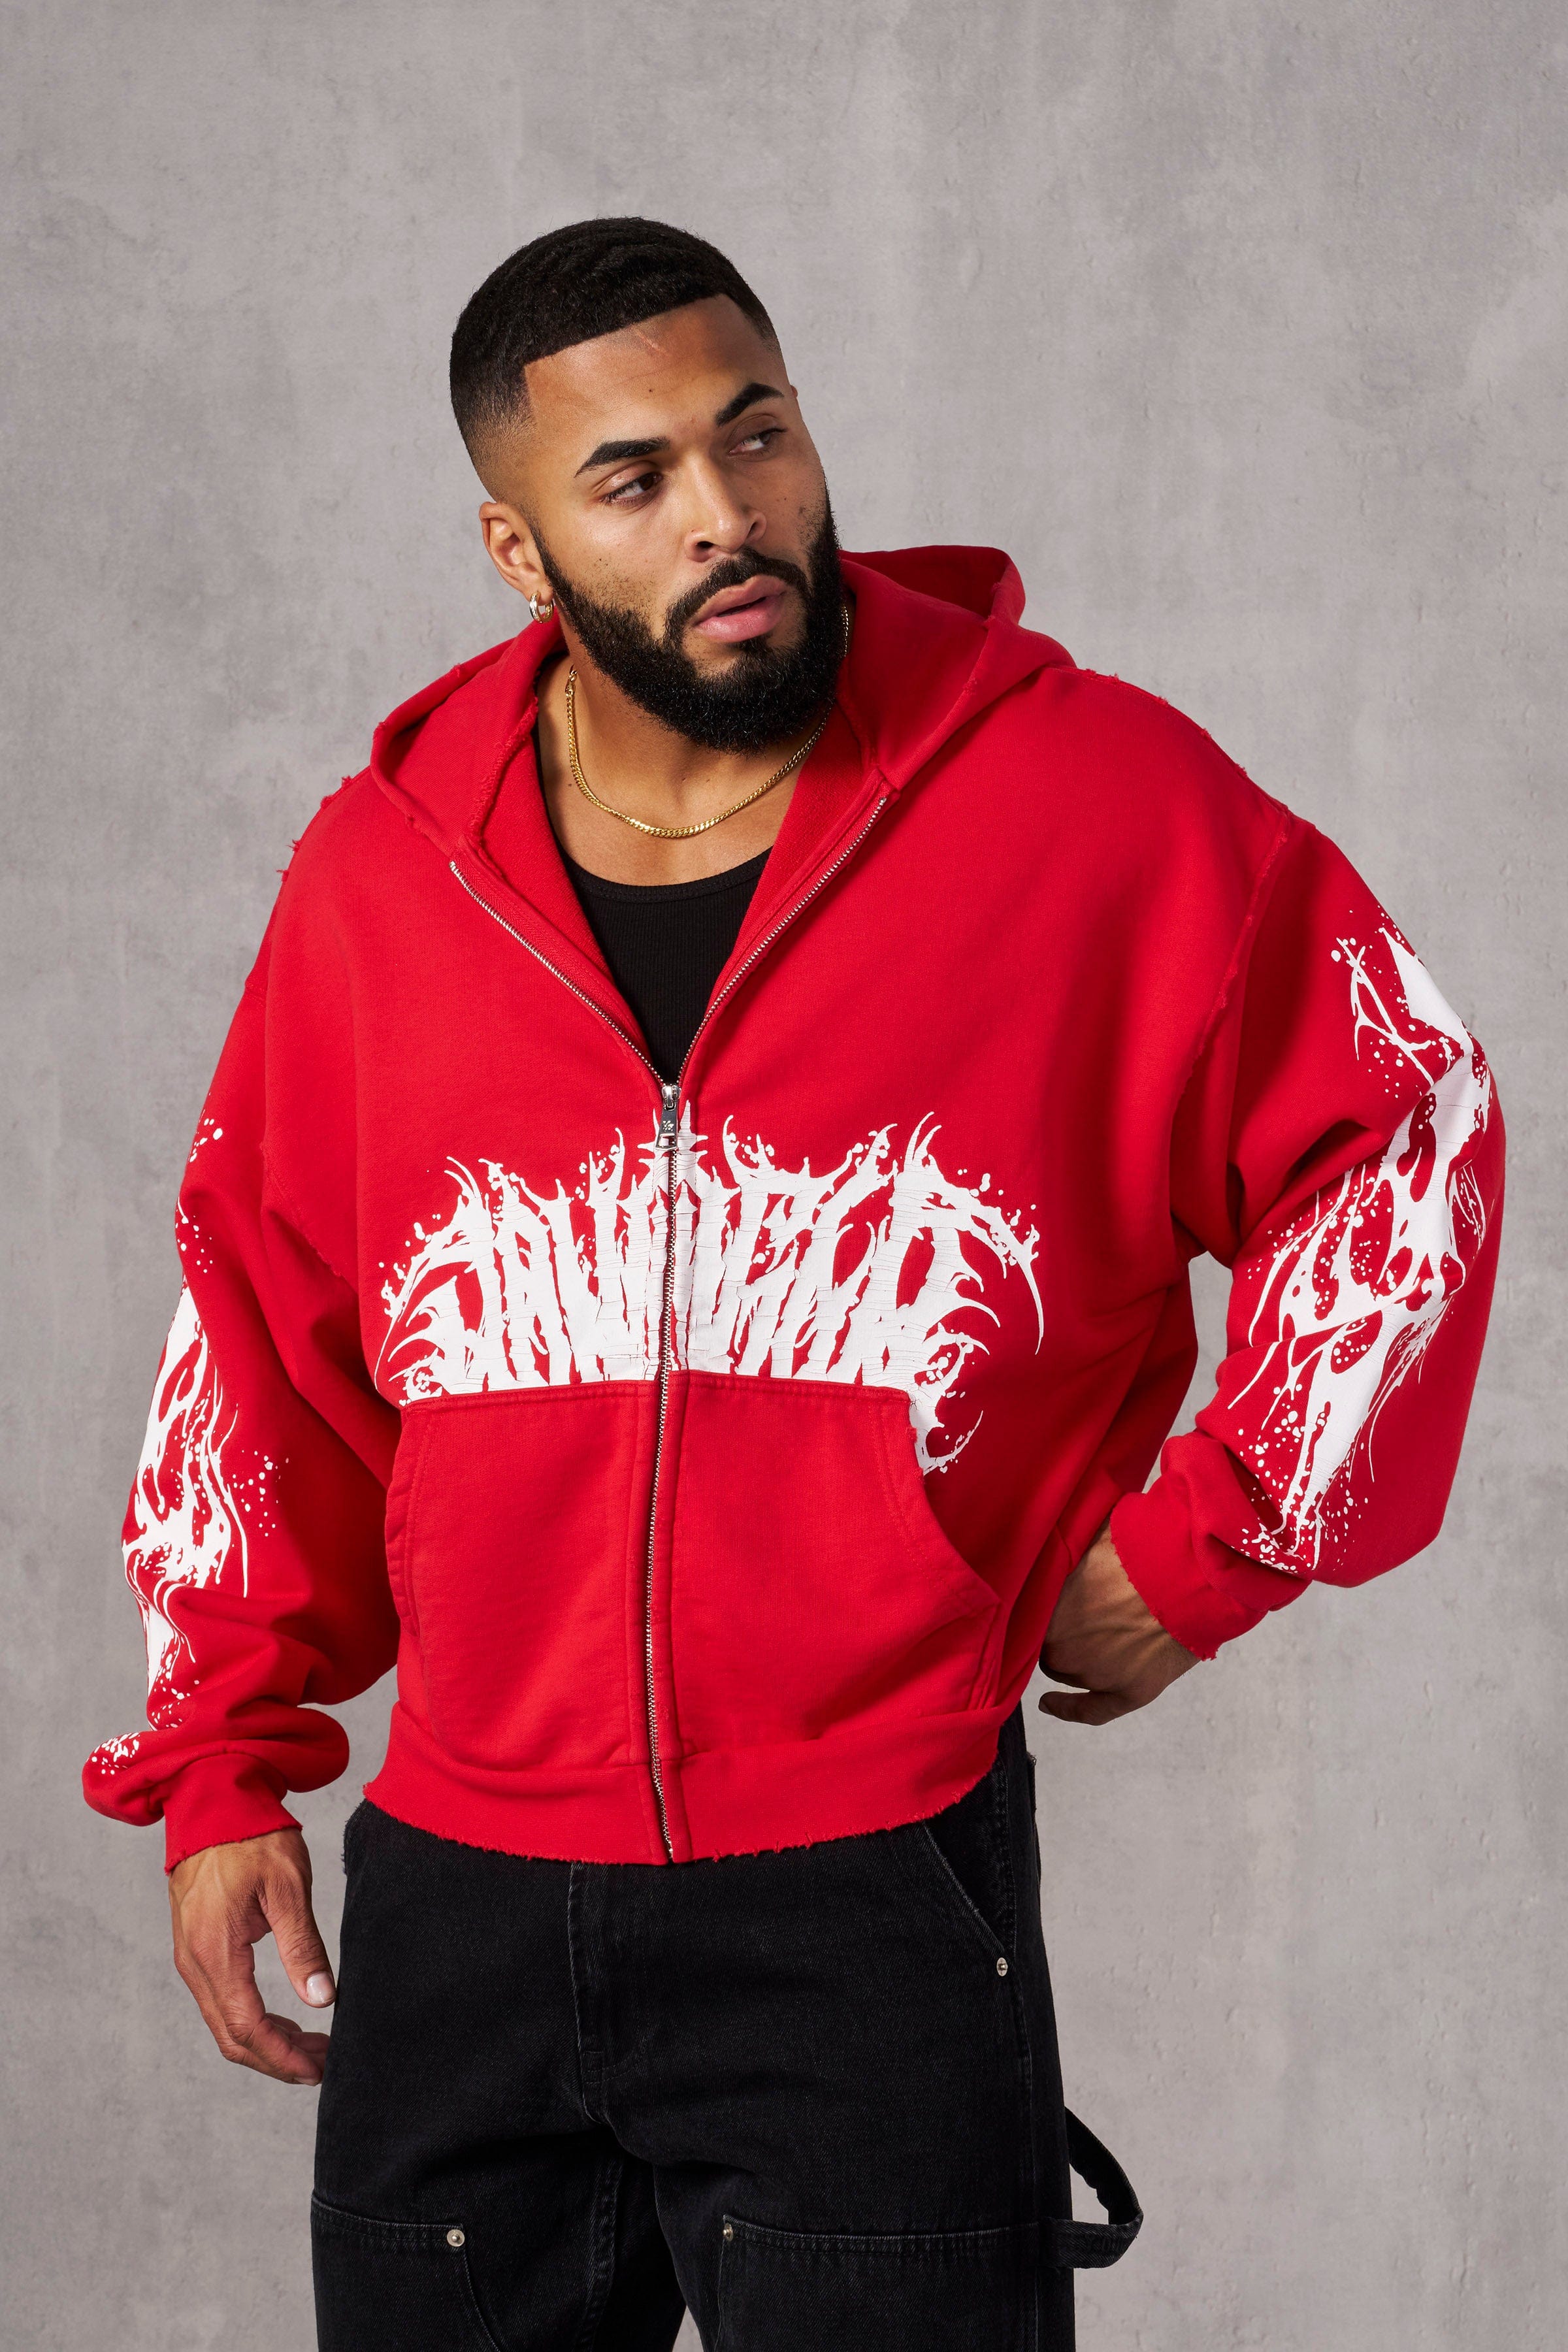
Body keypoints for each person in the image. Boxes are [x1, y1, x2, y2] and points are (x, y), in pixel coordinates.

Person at [84, 217, 1504, 2351]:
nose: (727, 514)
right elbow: (259, 1328)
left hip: (869, 1883)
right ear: (518, 546)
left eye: (757, 435)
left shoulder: (1088, 797)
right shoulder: (386, 874)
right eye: (634, 476)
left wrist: (1217, 1538)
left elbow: (1406, 1121)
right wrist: (222, 1768)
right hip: (462, 1906)